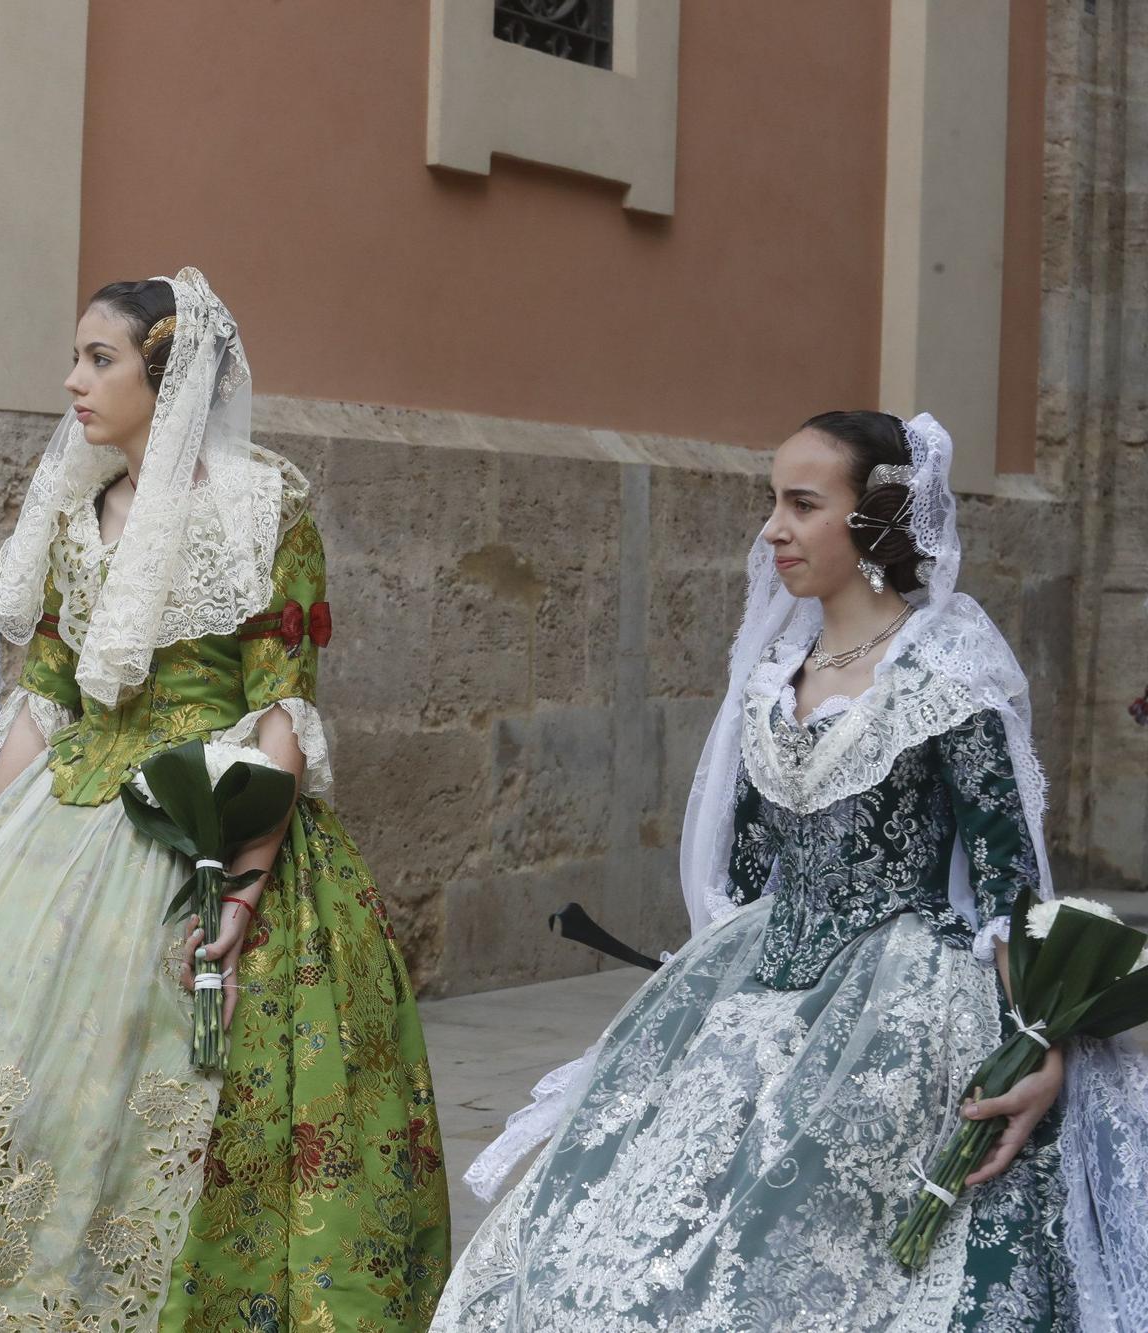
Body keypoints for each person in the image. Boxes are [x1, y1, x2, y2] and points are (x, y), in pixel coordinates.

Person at [0, 270, 447, 1332]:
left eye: (100, 358)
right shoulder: (74, 513)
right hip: (60, 815)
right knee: (0, 1075)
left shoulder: (265, 506)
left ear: (167, 374)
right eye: (76, 357)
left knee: (162, 1095)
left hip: (203, 822)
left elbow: (280, 710)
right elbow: (41, 698)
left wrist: (238, 892)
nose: (72, 380)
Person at [433, 412, 1082, 1331]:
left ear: (878, 523)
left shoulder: (945, 673)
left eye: (803, 504)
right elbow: (744, 876)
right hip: (753, 983)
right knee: (614, 1223)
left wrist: (1043, 1044)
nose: (772, 527)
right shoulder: (774, 673)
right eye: (772, 501)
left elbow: (1010, 888)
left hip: (900, 1001)